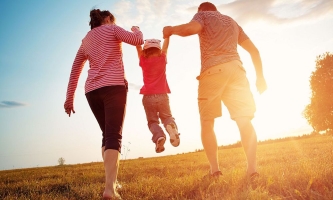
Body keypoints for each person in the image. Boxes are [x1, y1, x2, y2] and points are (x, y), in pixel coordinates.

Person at [163, 2, 267, 179]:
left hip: (213, 71)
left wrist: (171, 29)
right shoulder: (232, 22)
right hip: (237, 71)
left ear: (201, 10)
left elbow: (191, 28)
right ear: (216, 9)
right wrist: (260, 77)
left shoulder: (203, 16)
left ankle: (215, 171)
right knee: (244, 120)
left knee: (207, 121)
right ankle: (252, 170)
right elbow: (254, 51)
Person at [64, 9, 143, 199]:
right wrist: (136, 29)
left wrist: (69, 98)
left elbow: (75, 69)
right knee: (114, 136)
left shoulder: (85, 40)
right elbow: (137, 41)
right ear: (107, 19)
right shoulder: (112, 29)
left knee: (106, 135)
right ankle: (109, 189)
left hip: (92, 92)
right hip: (113, 87)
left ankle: (112, 183)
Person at [135, 38, 180, 153]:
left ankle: (159, 136)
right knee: (167, 117)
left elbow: (138, 47)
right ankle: (171, 126)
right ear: (159, 50)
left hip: (148, 97)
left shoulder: (143, 61)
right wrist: (168, 36)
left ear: (145, 51)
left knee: (153, 121)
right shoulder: (162, 59)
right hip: (162, 95)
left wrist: (136, 32)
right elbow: (166, 47)